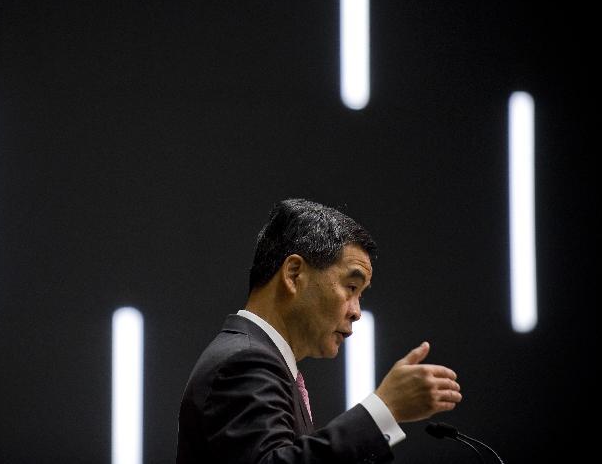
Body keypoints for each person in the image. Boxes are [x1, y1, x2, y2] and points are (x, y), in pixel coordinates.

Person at [176, 198, 462, 464]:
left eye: (361, 294)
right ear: (294, 274)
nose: (356, 311)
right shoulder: (243, 362)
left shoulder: (261, 360)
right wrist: (384, 410)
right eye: (351, 287)